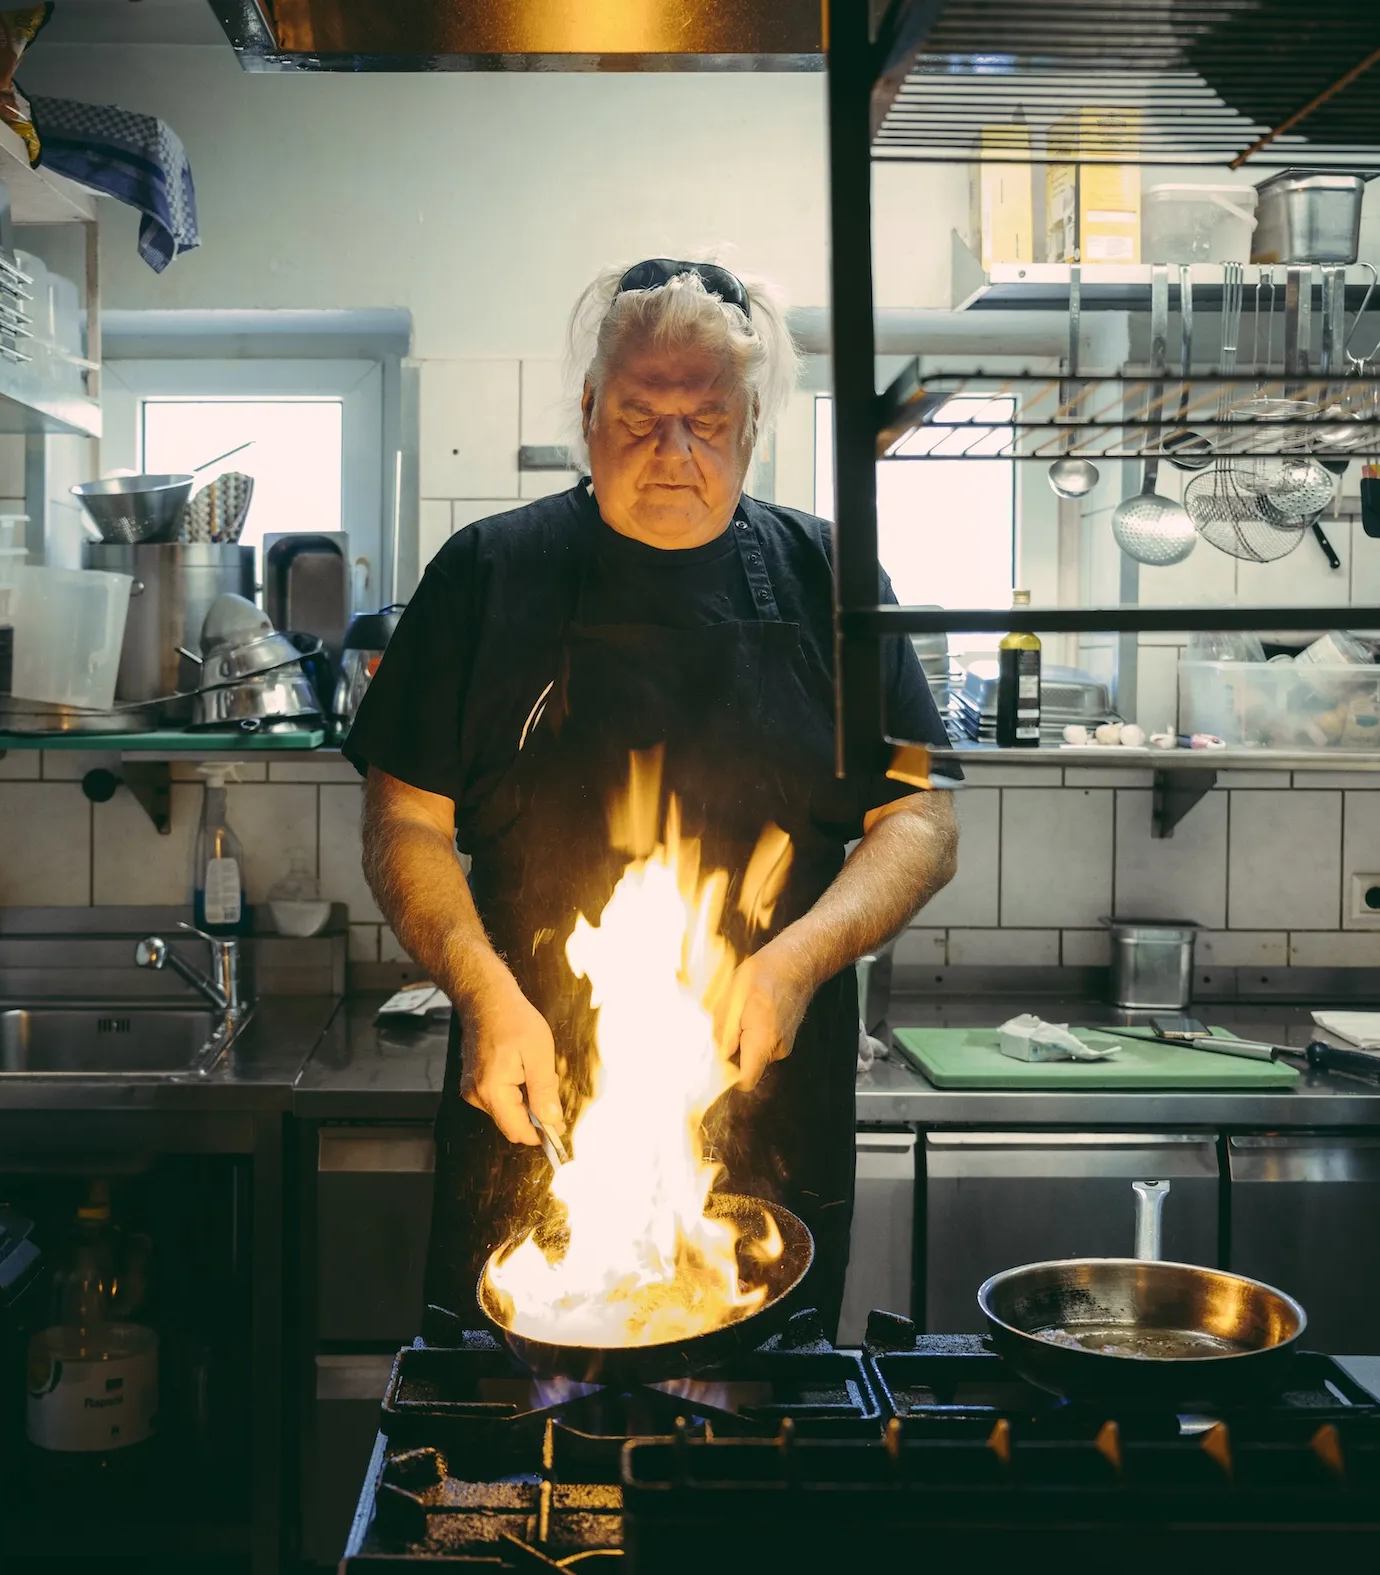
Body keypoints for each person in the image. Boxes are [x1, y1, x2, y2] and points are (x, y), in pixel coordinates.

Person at [345, 258, 958, 1326]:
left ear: (754, 422)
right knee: (511, 1442)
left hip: (763, 1094)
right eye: (637, 416)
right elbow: (406, 819)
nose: (674, 453)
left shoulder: (836, 584)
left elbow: (921, 817)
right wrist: (483, 992)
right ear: (587, 409)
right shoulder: (482, 577)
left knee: (756, 1435)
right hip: (525, 1095)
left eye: (708, 420)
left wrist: (799, 960)